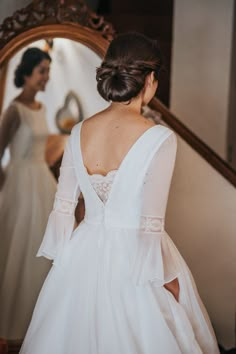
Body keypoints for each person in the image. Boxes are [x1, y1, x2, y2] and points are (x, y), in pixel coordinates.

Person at [20, 33, 220, 353]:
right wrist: (170, 284)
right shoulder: (159, 139)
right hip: (135, 258)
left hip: (80, 253)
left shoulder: (77, 132)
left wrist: (67, 260)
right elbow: (150, 225)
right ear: (151, 79)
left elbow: (63, 208)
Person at [0, 48, 57, 339]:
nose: (47, 77)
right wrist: (6, 188)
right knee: (18, 252)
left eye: (48, 71)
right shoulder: (14, 110)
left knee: (42, 252)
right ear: (27, 74)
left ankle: (42, 326)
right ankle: (12, 327)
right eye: (42, 71)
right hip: (19, 185)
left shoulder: (43, 109)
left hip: (43, 181)